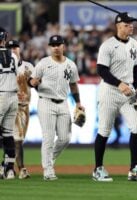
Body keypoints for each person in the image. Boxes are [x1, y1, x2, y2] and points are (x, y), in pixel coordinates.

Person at [93, 12, 137, 182]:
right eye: (126, 24)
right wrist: (119, 84)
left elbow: (136, 68)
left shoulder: (134, 44)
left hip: (129, 91)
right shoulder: (107, 46)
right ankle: (98, 169)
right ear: (118, 26)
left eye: (131, 23)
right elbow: (101, 70)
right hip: (110, 90)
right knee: (104, 130)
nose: (130, 26)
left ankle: (134, 169)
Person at [29, 35, 85, 180]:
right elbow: (31, 81)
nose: (56, 47)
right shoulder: (43, 63)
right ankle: (47, 170)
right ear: (50, 47)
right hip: (46, 102)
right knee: (48, 137)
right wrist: (32, 82)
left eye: (58, 44)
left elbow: (73, 85)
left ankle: (49, 159)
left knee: (65, 138)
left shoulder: (71, 64)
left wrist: (78, 103)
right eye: (53, 45)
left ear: (63, 46)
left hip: (63, 103)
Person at [6, 40, 33, 179]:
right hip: (10, 106)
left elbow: (33, 82)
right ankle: (20, 169)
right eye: (9, 47)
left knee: (19, 139)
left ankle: (7, 165)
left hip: (24, 108)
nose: (13, 49)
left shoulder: (28, 66)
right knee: (15, 138)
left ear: (20, 48)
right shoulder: (4, 67)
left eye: (15, 47)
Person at [0, 27, 19, 179]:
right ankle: (10, 169)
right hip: (13, 98)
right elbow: (18, 76)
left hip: (1, 96)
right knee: (8, 134)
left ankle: (1, 169)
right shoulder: (13, 55)